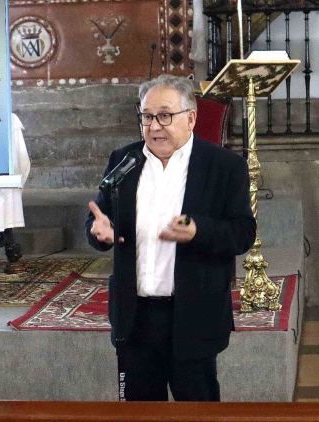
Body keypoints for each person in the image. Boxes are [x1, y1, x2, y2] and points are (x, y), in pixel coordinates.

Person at [85, 74, 256, 402]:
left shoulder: (224, 166)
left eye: (165, 115)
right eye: (147, 117)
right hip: (134, 320)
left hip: (194, 315)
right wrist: (99, 234)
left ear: (190, 118)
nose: (154, 126)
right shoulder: (124, 161)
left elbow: (243, 234)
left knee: (198, 412)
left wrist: (198, 231)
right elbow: (98, 222)